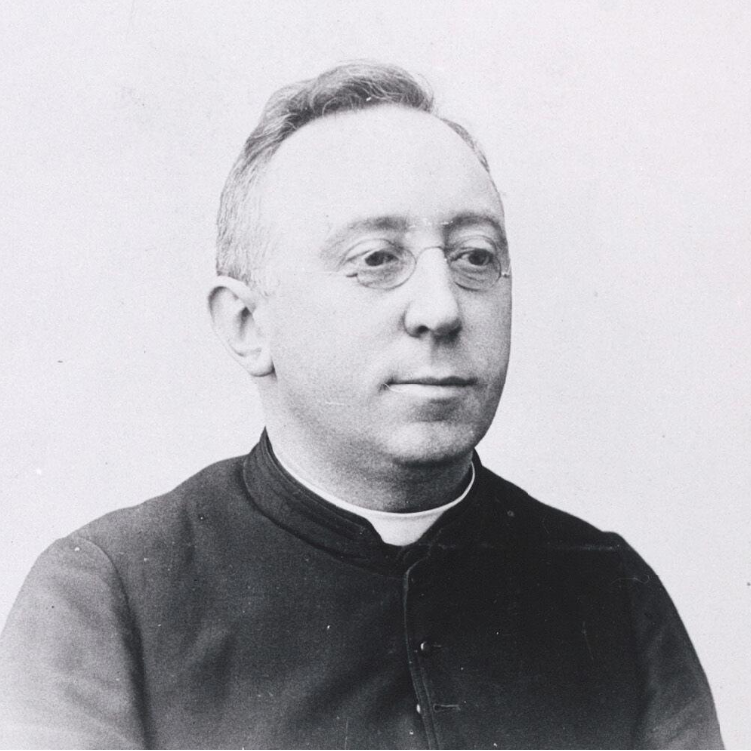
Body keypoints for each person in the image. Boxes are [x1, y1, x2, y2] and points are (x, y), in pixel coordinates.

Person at [0, 62, 723, 750]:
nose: (441, 309)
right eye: (377, 259)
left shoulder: (607, 589)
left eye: (474, 257)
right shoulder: (107, 595)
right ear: (248, 325)